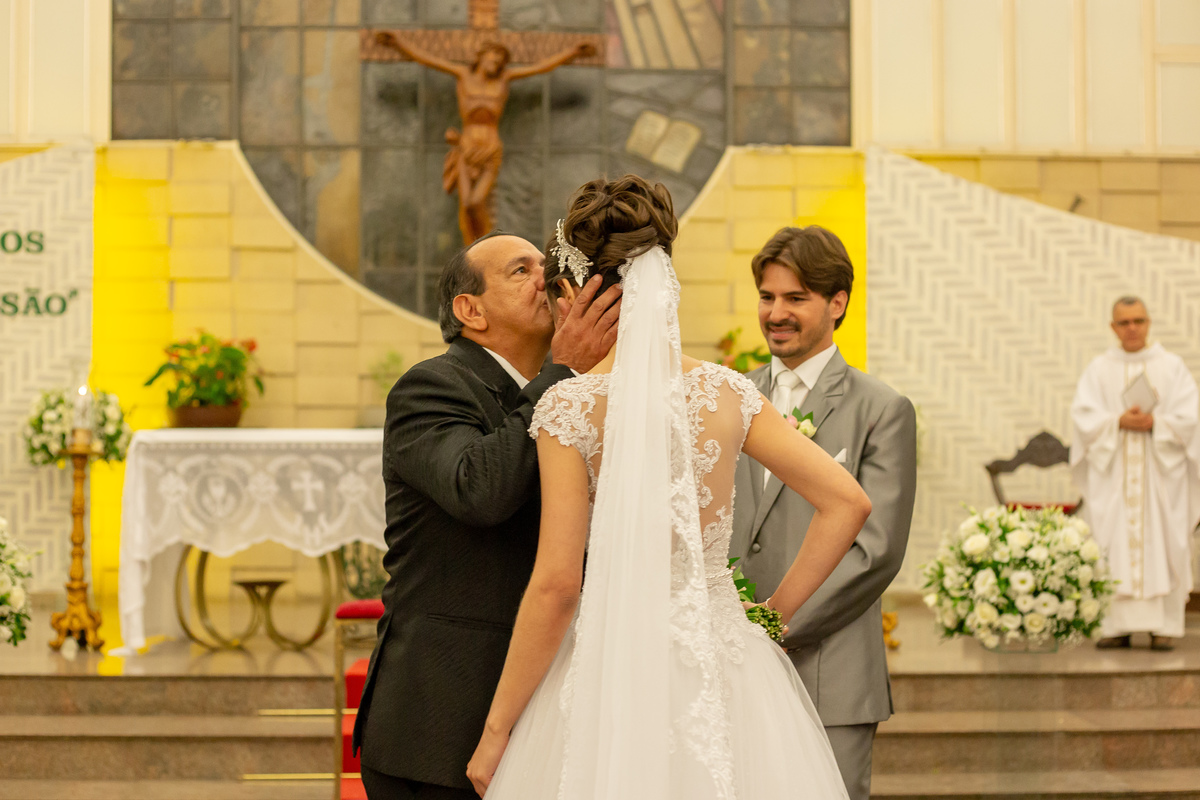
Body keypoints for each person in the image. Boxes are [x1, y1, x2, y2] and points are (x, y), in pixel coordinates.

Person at [464, 176, 873, 799]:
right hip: (724, 659)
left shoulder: (568, 408)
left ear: (574, 289)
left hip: (610, 669)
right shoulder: (729, 391)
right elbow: (847, 502)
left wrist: (496, 730)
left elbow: (556, 585)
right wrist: (768, 619)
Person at [352, 230, 622, 800]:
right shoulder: (431, 387)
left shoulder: (576, 395)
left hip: (546, 706)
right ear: (469, 310)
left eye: (545, 266)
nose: (545, 279)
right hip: (442, 721)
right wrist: (563, 374)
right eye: (521, 271)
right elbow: (480, 491)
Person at [731, 226, 918, 800]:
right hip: (729, 665)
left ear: (837, 303)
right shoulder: (729, 396)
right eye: (767, 297)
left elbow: (875, 550)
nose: (776, 313)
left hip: (829, 671)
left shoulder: (881, 409)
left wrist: (772, 628)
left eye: (796, 298)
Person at [375, 32, 596, 244]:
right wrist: (398, 43)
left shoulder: (504, 79)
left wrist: (572, 52)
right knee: (467, 204)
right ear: (481, 56)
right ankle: (473, 247)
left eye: (501, 61)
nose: (497, 63)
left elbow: (540, 68)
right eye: (494, 57)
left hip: (490, 147)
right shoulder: (463, 75)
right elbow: (428, 59)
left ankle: (486, 242)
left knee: (477, 201)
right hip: (467, 146)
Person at [1070, 296, 1199, 651]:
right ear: (1113, 327)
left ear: (1148, 323)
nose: (1132, 328)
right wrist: (1118, 421)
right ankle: (1115, 627)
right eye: (1124, 322)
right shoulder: (1099, 369)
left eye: (1138, 321)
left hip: (1161, 479)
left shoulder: (1171, 367)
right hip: (1114, 480)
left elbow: (1191, 419)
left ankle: (1165, 627)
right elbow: (1083, 418)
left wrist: (1156, 422)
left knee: (1166, 540)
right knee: (1111, 545)